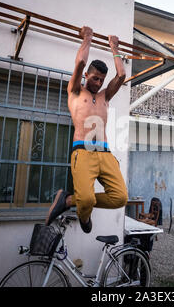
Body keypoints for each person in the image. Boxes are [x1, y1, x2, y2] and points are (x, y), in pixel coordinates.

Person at [45, 26, 128, 233]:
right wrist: (88, 38)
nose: (98, 83)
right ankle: (82, 208)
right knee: (87, 198)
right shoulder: (74, 90)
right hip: (83, 152)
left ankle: (70, 200)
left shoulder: (104, 96)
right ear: (86, 75)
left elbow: (121, 74)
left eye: (101, 79)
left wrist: (114, 47)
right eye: (95, 78)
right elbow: (81, 62)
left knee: (120, 197)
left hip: (105, 153)